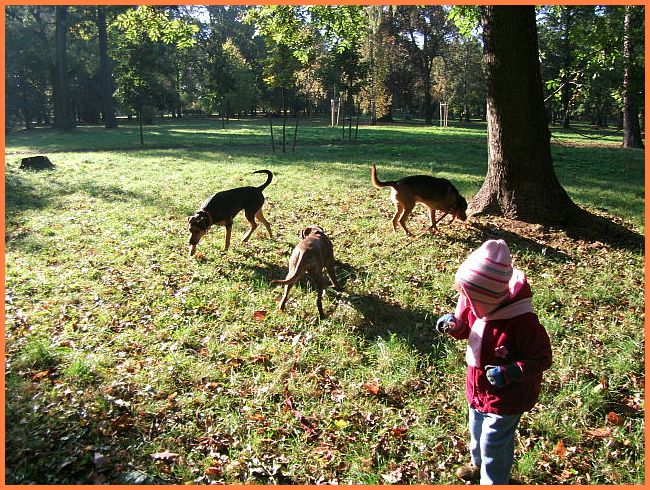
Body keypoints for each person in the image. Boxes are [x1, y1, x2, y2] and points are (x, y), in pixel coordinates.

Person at [436, 239, 552, 485]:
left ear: (490, 296)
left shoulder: (522, 322)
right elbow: (468, 327)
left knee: (495, 442)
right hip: (478, 388)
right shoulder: (478, 303)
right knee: (476, 432)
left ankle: (494, 480)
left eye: (468, 297)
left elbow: (541, 358)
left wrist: (511, 371)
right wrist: (454, 326)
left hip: (507, 396)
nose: (464, 301)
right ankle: (477, 465)